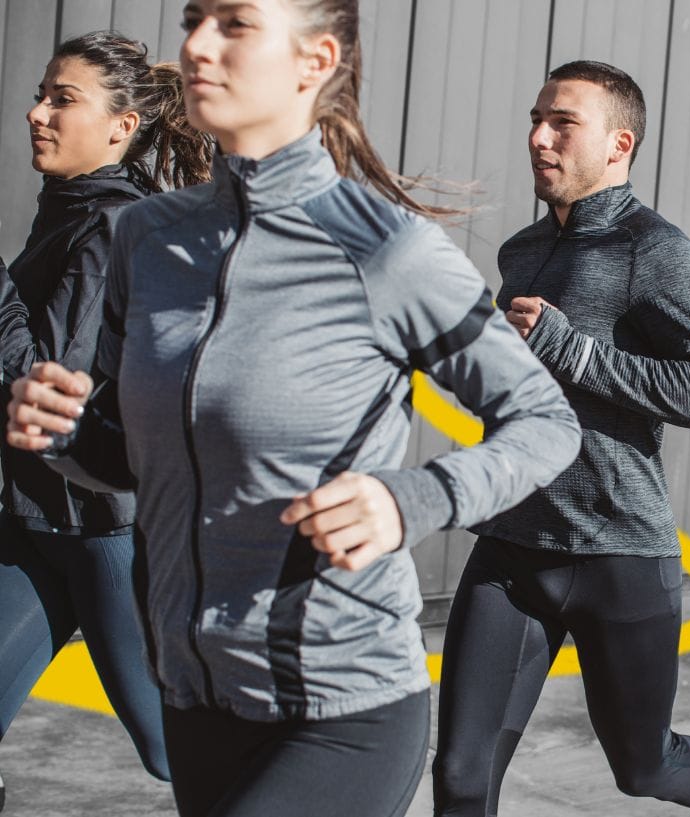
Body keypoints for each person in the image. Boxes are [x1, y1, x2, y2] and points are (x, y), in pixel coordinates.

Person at [5, 2, 580, 816]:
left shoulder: (385, 247)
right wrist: (60, 431)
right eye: (196, 19)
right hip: (198, 700)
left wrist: (410, 496)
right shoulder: (146, 239)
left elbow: (545, 420)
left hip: (340, 706)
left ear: (314, 62)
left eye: (234, 24)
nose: (198, 43)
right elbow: (130, 454)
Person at [431, 60, 690, 817]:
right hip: (513, 549)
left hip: (618, 552)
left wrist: (575, 352)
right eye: (535, 118)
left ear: (619, 143)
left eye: (563, 123)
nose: (538, 137)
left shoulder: (653, 250)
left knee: (643, 766)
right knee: (460, 774)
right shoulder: (522, 251)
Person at [0, 31, 214, 811]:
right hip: (33, 523)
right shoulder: (66, 209)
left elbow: (50, 381)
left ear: (122, 128)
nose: (36, 113)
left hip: (104, 534)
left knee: (172, 750)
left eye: (64, 100)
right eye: (41, 93)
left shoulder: (115, 227)